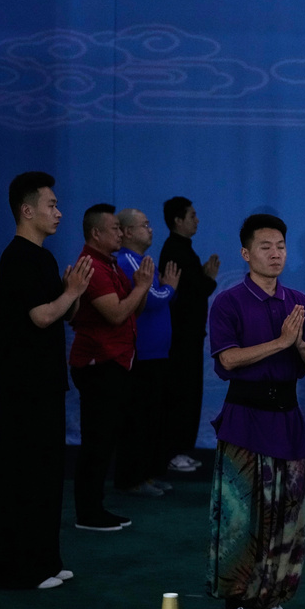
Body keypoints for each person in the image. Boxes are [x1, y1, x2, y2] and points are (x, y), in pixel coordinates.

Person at [206, 213, 305, 609]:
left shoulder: (298, 301)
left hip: (287, 419)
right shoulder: (228, 302)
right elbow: (227, 359)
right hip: (244, 419)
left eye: (280, 247)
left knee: (286, 515)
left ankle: (270, 600)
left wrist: (300, 345)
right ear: (246, 253)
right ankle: (234, 604)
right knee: (239, 515)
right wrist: (280, 342)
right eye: (265, 247)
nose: (275, 254)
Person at [0, 172, 93, 589]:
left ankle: (46, 560)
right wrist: (70, 292)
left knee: (48, 475)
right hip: (24, 387)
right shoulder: (17, 257)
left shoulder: (44, 258)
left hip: (47, 383)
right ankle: (19, 569)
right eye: (51, 205)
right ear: (27, 210)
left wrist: (75, 291)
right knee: (26, 476)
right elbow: (42, 316)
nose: (59, 212)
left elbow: (63, 313)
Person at [70, 204, 154, 531]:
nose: (121, 234)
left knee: (105, 441)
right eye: (115, 229)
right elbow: (117, 314)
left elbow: (133, 310)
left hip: (116, 362)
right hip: (99, 363)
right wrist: (142, 287)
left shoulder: (111, 264)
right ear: (96, 233)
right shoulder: (91, 266)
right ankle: (88, 513)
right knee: (97, 441)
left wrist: (142, 285)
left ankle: (94, 507)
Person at [116, 208, 181, 497]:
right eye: (144, 225)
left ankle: (147, 474)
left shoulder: (142, 261)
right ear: (128, 232)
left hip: (156, 354)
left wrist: (166, 288)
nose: (150, 229)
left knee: (151, 418)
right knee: (139, 420)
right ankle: (132, 479)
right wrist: (170, 288)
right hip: (143, 355)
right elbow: (152, 298)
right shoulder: (128, 260)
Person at [159, 196, 219, 473]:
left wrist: (205, 277)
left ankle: (181, 448)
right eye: (192, 216)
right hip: (180, 337)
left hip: (189, 334)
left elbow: (194, 287)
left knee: (189, 393)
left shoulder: (183, 249)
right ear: (178, 220)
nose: (197, 220)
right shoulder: (175, 251)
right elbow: (192, 291)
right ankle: (173, 451)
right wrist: (208, 278)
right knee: (181, 394)